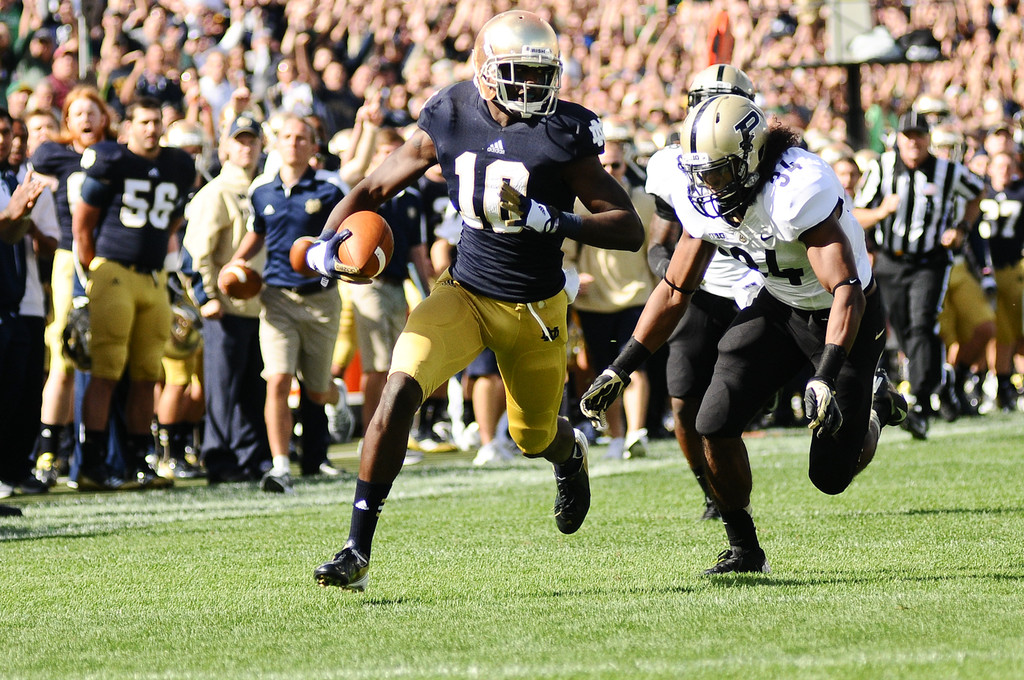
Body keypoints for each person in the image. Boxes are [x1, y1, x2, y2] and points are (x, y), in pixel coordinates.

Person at [308, 10, 644, 590]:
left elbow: (627, 226)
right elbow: (374, 187)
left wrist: (551, 219)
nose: (533, 87)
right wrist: (326, 240)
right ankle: (355, 549)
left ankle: (571, 455)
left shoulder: (565, 131)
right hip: (464, 289)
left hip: (535, 307)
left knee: (533, 436)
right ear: (486, 72)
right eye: (518, 73)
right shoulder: (450, 110)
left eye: (542, 75)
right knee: (397, 390)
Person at [582, 95, 907, 575]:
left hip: (845, 318)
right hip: (779, 305)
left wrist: (824, 374)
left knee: (830, 475)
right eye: (700, 173)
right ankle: (743, 547)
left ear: (751, 158)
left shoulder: (796, 187)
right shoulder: (701, 191)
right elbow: (675, 290)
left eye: (717, 172)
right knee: (712, 419)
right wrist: (621, 366)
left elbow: (847, 291)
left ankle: (876, 408)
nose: (707, 186)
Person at [645, 64, 765, 520]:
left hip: (760, 290)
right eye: (700, 101)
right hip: (702, 292)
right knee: (682, 398)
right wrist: (674, 277)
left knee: (737, 396)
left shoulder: (770, 160)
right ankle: (710, 489)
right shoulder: (674, 164)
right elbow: (659, 242)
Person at [72, 96, 196, 490]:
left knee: (147, 372)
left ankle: (139, 462)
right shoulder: (113, 161)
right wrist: (95, 270)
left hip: (154, 276)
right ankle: (92, 464)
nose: (151, 128)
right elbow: (82, 226)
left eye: (156, 121)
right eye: (143, 122)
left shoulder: (178, 164)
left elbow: (175, 216)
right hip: (114, 271)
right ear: (128, 127)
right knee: (106, 370)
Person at [221, 113, 345, 493]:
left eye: (301, 137)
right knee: (277, 379)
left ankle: (335, 401)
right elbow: (257, 233)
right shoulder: (262, 190)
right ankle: (279, 466)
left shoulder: (329, 189)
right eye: (286, 136)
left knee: (317, 388)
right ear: (276, 144)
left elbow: (347, 234)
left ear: (312, 146)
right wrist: (236, 262)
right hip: (275, 298)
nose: (293, 142)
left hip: (321, 298)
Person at [857, 111, 985, 438]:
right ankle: (933, 386)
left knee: (921, 322)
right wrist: (882, 211)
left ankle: (920, 395)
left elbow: (977, 191)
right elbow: (856, 214)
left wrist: (962, 228)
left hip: (930, 260)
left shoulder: (947, 171)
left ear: (928, 139)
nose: (913, 142)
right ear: (898, 139)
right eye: (908, 136)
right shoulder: (881, 168)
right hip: (891, 259)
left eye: (919, 135)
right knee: (905, 328)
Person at [29, 87, 117, 487]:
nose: (85, 119)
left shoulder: (117, 155)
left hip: (109, 260)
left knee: (108, 357)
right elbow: (40, 155)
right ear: (68, 121)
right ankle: (50, 449)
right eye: (77, 113)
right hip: (69, 258)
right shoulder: (58, 155)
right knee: (64, 355)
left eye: (92, 112)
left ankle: (100, 456)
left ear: (104, 118)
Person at [183, 114, 273, 483]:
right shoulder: (217, 193)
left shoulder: (262, 190)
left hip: (258, 306)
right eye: (239, 140)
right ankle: (219, 458)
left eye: (252, 140)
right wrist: (207, 296)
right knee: (223, 387)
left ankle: (251, 456)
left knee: (253, 385)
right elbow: (194, 253)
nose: (246, 147)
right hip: (225, 305)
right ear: (223, 148)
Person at [567, 134, 657, 460]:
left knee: (633, 367)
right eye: (602, 165)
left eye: (615, 164)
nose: (609, 171)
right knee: (603, 370)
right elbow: (566, 252)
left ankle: (636, 433)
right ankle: (617, 436)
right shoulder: (579, 203)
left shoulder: (645, 202)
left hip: (637, 295)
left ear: (627, 164)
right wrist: (575, 277)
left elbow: (655, 250)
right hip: (594, 301)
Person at [980, 150, 1024, 411]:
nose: (1004, 171)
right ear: (989, 169)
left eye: (1009, 166)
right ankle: (996, 382)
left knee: (1014, 328)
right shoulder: (980, 192)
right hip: (986, 270)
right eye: (999, 166)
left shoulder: (1020, 191)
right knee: (995, 328)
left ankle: (1007, 384)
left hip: (1013, 267)